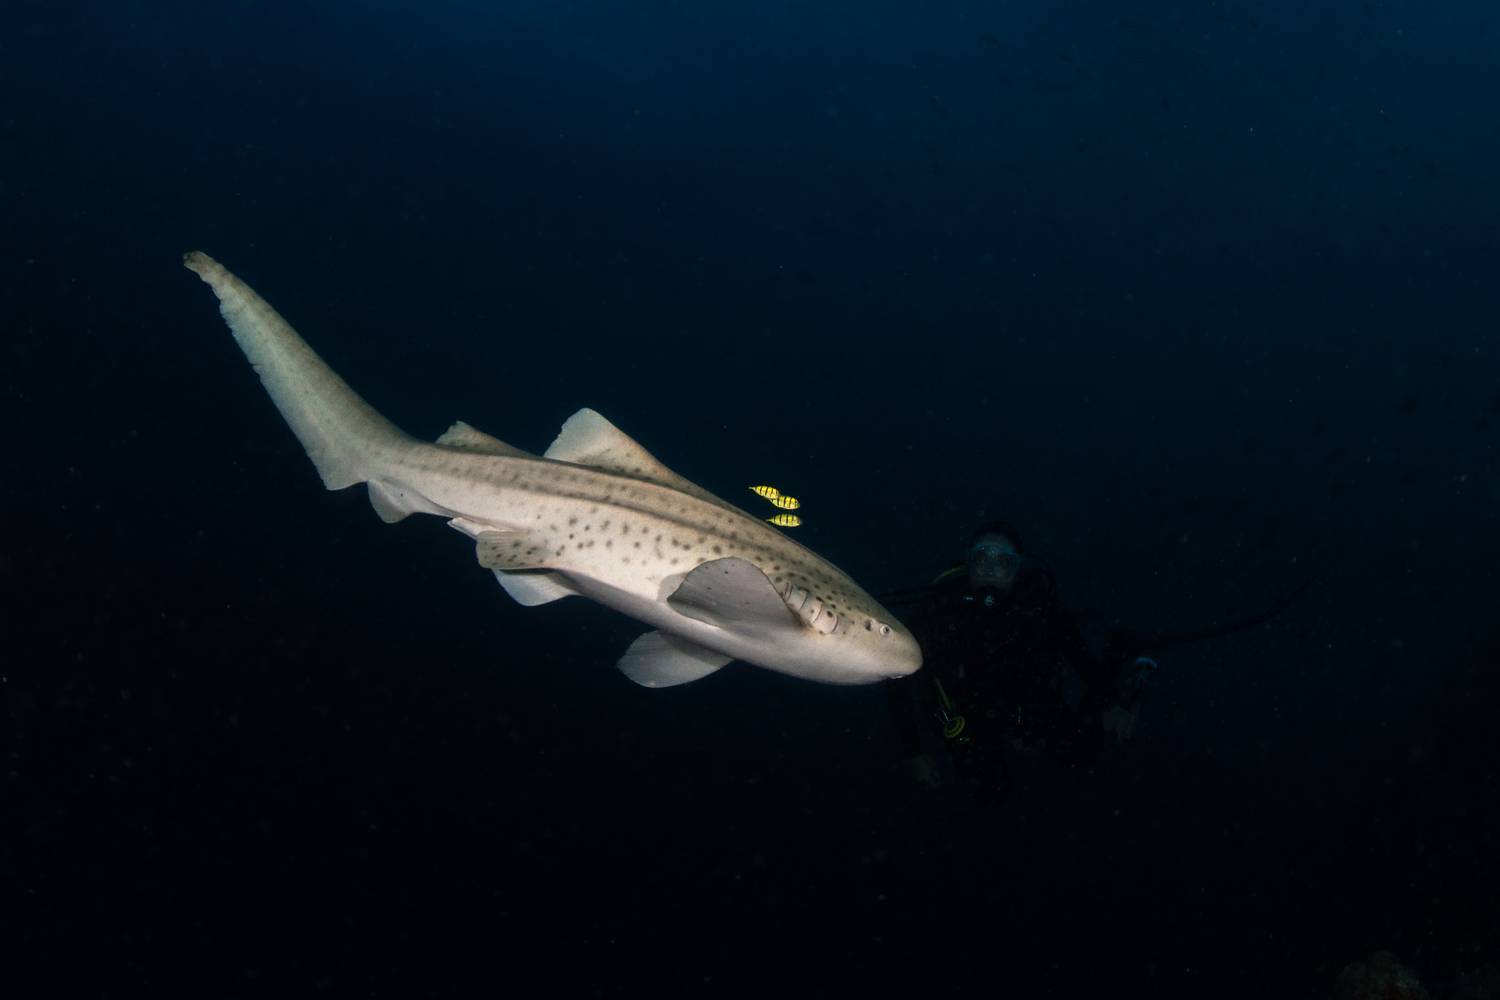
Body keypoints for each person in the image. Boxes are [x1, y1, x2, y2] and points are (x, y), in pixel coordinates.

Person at [886, 521, 1152, 800]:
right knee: (988, 788)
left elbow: (1081, 660)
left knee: (1087, 752)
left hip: (1032, 709)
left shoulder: (1039, 608)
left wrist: (1112, 702)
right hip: (967, 720)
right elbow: (897, 680)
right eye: (980, 559)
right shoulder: (938, 611)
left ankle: (1122, 658)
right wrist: (913, 752)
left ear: (1018, 569)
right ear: (968, 565)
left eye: (1003, 561)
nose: (989, 569)